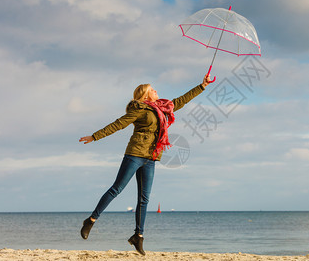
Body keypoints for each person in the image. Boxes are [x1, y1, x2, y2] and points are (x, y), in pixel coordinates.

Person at [79, 73, 211, 255]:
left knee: (144, 199)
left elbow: (181, 100)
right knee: (116, 189)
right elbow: (119, 124)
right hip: (135, 154)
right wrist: (94, 136)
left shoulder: (163, 108)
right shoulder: (139, 109)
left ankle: (138, 236)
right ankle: (91, 220)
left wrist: (202, 86)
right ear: (146, 95)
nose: (156, 91)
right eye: (153, 89)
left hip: (152, 156)